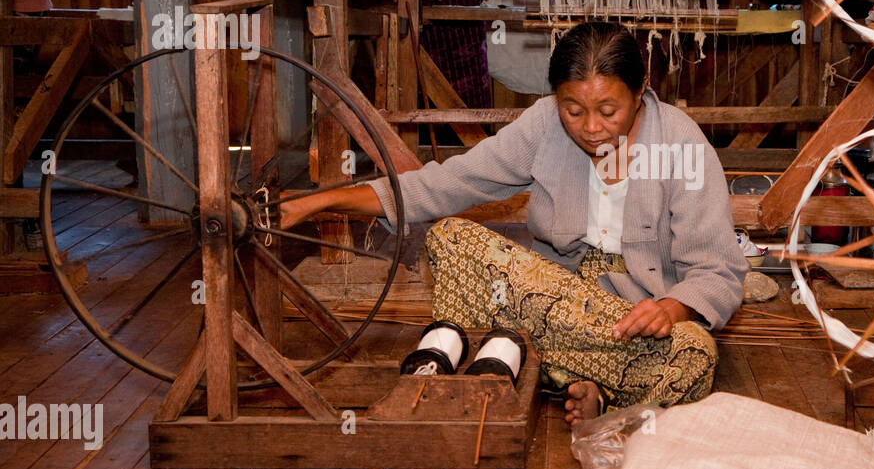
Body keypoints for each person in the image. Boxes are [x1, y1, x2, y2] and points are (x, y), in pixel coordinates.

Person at [280, 22, 748, 425]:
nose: (590, 127)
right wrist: (322, 201)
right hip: (546, 298)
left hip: (629, 320)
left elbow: (718, 271)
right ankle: (582, 377)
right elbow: (447, 184)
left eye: (609, 110)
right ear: (555, 98)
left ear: (641, 88)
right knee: (449, 236)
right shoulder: (542, 126)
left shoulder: (681, 145)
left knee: (695, 356)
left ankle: (548, 370)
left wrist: (671, 309)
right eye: (573, 109)